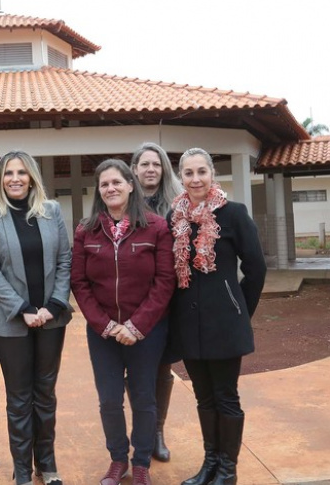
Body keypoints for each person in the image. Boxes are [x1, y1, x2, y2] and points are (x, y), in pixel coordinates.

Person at [71, 159, 176, 485]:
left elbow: (165, 281)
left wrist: (136, 326)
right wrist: (105, 325)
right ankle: (118, 459)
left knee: (144, 398)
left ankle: (141, 463)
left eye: (117, 182)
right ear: (98, 191)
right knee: (109, 400)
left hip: (146, 331)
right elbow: (79, 283)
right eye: (104, 184)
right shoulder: (85, 231)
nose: (111, 188)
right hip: (103, 332)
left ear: (131, 185)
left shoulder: (156, 227)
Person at [168, 148, 266, 485]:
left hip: (224, 324)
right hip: (189, 324)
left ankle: (228, 470)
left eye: (201, 172)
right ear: (181, 177)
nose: (195, 179)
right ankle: (210, 463)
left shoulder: (233, 214)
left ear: (212, 174)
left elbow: (256, 268)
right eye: (189, 173)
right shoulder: (174, 218)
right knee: (203, 397)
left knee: (226, 396)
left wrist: (239, 310)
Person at [0, 151, 73, 485]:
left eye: (21, 172)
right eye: (8, 173)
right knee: (19, 399)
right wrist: (23, 309)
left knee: (45, 395)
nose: (15, 179)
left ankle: (47, 465)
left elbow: (64, 260)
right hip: (10, 322)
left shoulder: (52, 211)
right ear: (0, 180)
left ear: (32, 177)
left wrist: (55, 304)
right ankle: (22, 471)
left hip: (51, 319)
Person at [131, 142, 185, 463]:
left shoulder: (178, 205)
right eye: (144, 164)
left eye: (156, 164)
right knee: (135, 367)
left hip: (168, 298)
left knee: (163, 365)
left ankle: (157, 431)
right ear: (134, 170)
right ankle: (143, 429)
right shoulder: (124, 203)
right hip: (132, 298)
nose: (151, 169)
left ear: (164, 168)